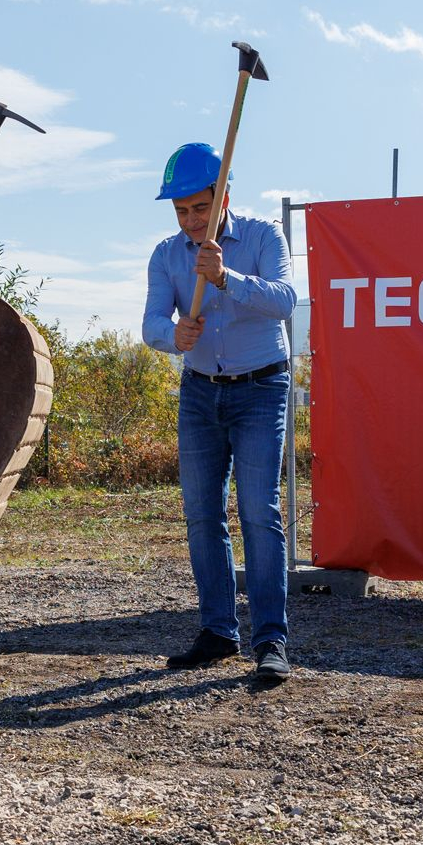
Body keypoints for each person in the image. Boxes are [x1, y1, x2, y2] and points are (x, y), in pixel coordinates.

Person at [143, 142, 299, 681]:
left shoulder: (261, 237)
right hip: (200, 393)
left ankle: (270, 641)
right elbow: (151, 326)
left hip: (261, 388)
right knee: (202, 515)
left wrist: (228, 277)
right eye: (181, 211)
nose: (190, 221)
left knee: (259, 512)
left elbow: (284, 300)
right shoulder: (166, 255)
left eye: (199, 208)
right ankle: (217, 631)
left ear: (223, 196)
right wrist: (174, 334)